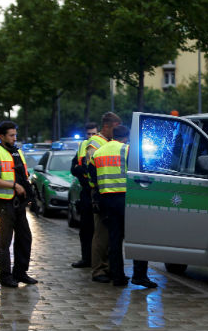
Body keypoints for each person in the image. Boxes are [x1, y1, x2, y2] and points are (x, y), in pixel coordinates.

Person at [89, 125, 157, 288]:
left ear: (113, 135)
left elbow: (92, 178)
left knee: (114, 239)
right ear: (126, 137)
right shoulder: (127, 151)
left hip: (107, 200)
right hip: (126, 198)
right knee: (138, 237)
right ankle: (139, 276)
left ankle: (117, 277)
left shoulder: (99, 152)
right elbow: (139, 175)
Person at [0, 121, 37, 288]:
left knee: (25, 238)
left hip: (19, 203)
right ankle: (5, 276)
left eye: (15, 135)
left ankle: (20, 272)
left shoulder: (17, 152)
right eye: (11, 135)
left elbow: (22, 175)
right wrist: (14, 186)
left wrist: (28, 192)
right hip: (4, 204)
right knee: (4, 242)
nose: (14, 138)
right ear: (2, 136)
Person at [85, 112, 121, 283]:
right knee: (101, 233)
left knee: (110, 234)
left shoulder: (110, 143)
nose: (117, 131)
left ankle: (108, 268)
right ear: (107, 126)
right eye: (115, 127)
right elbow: (91, 170)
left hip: (112, 194)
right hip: (100, 193)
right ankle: (98, 270)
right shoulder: (95, 143)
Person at [69, 122, 98, 268]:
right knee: (85, 230)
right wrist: (80, 169)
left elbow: (84, 168)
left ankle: (98, 261)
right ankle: (86, 259)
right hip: (86, 192)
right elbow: (73, 169)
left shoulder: (102, 145)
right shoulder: (82, 147)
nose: (91, 136)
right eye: (89, 134)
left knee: (99, 231)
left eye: (94, 133)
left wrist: (80, 168)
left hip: (99, 192)